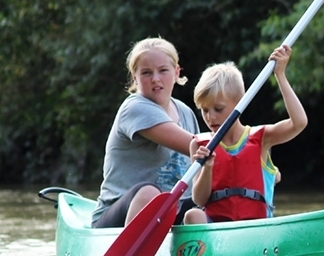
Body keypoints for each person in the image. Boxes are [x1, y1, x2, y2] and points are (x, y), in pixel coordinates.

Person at [183, 44, 305, 224]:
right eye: (205, 110)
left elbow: (299, 123)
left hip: (256, 228)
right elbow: (199, 200)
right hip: (218, 231)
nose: (210, 117)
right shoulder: (200, 145)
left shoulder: (262, 138)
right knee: (192, 215)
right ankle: (206, 253)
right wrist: (207, 167)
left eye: (218, 109)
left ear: (240, 103)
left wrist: (280, 75)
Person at [91, 37, 200, 228]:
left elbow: (205, 164)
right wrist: (248, 142)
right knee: (150, 195)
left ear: (176, 72)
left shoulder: (186, 112)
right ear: (135, 77)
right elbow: (198, 146)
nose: (156, 79)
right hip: (117, 219)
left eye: (163, 70)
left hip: (171, 211)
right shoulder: (135, 108)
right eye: (146, 73)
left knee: (204, 206)